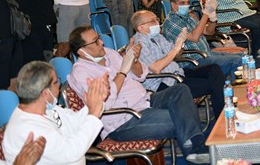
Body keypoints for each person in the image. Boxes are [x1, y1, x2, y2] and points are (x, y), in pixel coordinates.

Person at [67, 27, 210, 163]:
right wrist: (122, 71)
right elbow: (106, 104)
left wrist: (134, 60)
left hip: (145, 100)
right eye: (95, 41)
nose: (101, 42)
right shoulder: (81, 72)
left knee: (180, 90)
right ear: (81, 51)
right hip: (124, 120)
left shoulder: (109, 53)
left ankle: (195, 148)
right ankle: (196, 150)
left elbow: (141, 75)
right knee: (181, 117)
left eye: (99, 38)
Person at [130, 11, 224, 127]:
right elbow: (156, 68)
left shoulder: (157, 37)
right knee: (213, 84)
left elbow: (177, 55)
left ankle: (221, 115)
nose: (157, 23)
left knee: (214, 69)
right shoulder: (139, 44)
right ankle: (222, 118)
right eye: (152, 21)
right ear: (141, 27)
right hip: (164, 83)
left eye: (157, 19)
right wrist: (175, 50)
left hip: (177, 73)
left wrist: (180, 43)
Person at [3, 61, 105, 165]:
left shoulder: (44, 107)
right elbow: (71, 152)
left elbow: (73, 122)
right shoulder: (30, 129)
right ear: (45, 93)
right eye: (56, 82)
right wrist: (94, 113)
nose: (59, 85)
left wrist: (94, 103)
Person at [163, 0, 244, 75]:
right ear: (173, 5)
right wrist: (206, 13)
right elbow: (195, 37)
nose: (186, 5)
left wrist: (212, 18)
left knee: (243, 56)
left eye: (188, 2)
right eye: (182, 3)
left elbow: (209, 32)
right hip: (192, 62)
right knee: (237, 61)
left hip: (206, 54)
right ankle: (231, 83)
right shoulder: (171, 21)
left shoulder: (188, 17)